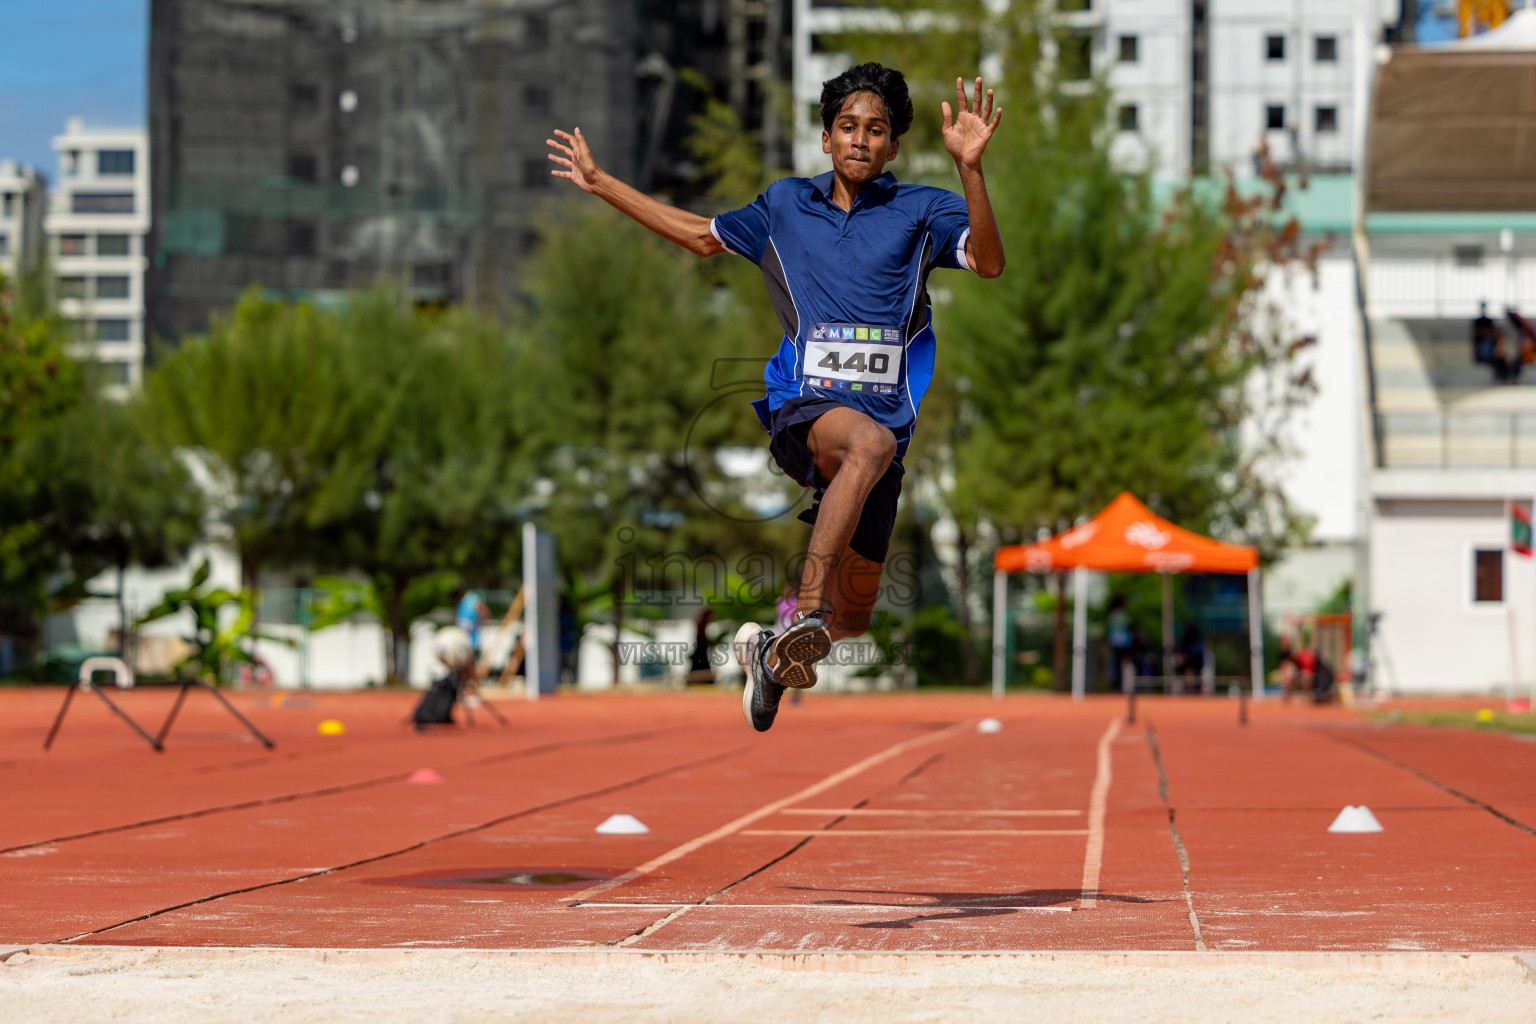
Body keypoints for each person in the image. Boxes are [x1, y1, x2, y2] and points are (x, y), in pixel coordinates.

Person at [547, 64, 1006, 732]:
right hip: (807, 408)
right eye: (847, 126)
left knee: (855, 618)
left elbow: (990, 261)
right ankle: (808, 615)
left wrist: (970, 169)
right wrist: (601, 184)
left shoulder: (922, 211)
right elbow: (700, 235)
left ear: (894, 147)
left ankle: (774, 648)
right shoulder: (785, 206)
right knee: (864, 451)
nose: (860, 140)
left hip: (881, 435)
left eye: (876, 130)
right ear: (825, 138)